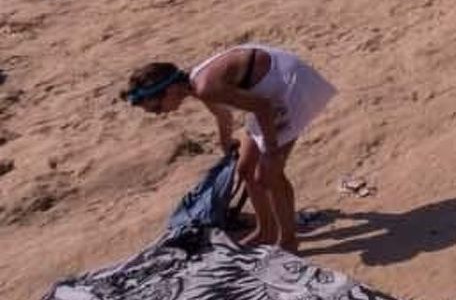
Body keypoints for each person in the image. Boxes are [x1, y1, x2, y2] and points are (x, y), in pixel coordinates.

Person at [124, 45, 337, 251]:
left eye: (156, 108)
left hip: (293, 88)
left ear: (169, 90)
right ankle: (266, 232)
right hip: (268, 95)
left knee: (268, 175)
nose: (159, 114)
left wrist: (271, 152)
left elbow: (263, 108)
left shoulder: (205, 87)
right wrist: (226, 143)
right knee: (245, 169)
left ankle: (288, 241)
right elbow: (223, 114)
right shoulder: (196, 85)